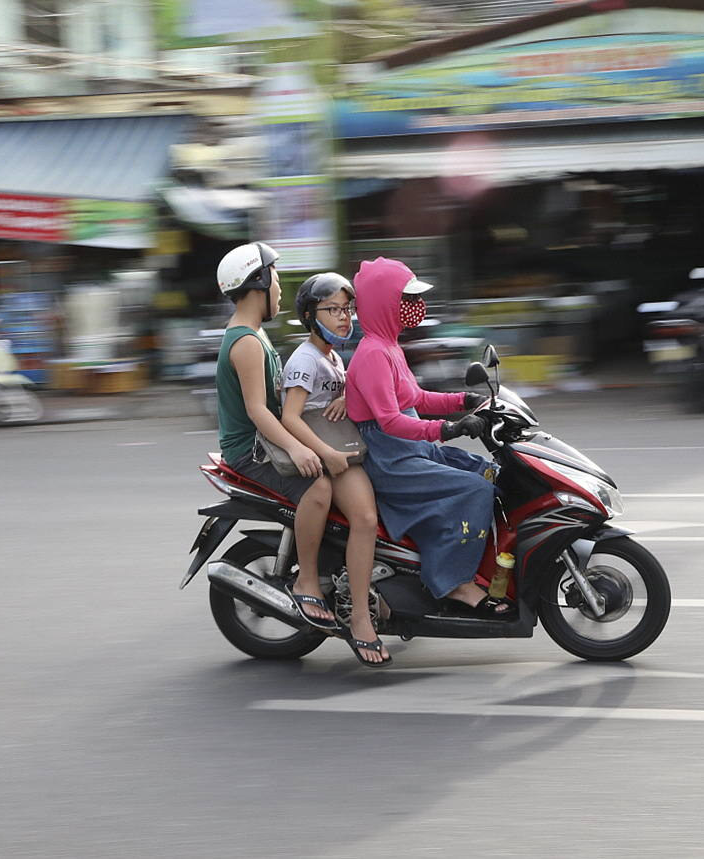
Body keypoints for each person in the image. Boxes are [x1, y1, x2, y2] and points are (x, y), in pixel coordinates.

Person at [345, 257, 512, 617]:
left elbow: (416, 399)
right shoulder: (373, 354)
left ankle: (476, 564)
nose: (416, 305)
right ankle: (455, 584)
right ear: (384, 302)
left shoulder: (389, 345)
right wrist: (447, 429)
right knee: (475, 489)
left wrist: (463, 400)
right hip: (392, 460)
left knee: (491, 473)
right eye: (407, 298)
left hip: (413, 449)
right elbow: (390, 421)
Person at [213, 242, 338, 633]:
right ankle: (307, 582)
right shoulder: (247, 343)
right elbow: (257, 410)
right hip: (251, 451)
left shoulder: (255, 334)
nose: (281, 289)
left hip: (265, 441)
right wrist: (297, 448)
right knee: (318, 487)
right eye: (277, 280)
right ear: (259, 281)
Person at [281, 273, 389, 665]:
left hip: (343, 451)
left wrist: (346, 396)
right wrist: (325, 453)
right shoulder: (304, 359)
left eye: (348, 309)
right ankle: (355, 614)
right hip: (325, 455)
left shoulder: (332, 357)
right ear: (311, 316)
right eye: (334, 310)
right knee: (363, 517)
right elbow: (290, 417)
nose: (345, 318)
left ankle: (371, 594)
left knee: (375, 513)